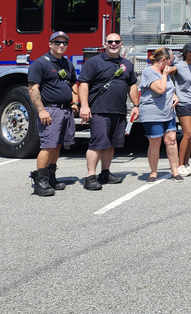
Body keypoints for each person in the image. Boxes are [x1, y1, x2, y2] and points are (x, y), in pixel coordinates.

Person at [77, 33, 138, 190]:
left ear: (121, 44)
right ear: (105, 44)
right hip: (99, 110)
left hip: (118, 110)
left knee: (111, 144)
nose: (113, 44)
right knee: (97, 143)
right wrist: (84, 106)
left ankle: (105, 172)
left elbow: (132, 85)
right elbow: (83, 84)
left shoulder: (126, 64)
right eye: (110, 42)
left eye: (116, 42)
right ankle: (90, 176)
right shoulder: (93, 62)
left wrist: (136, 105)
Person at [28, 31, 79, 196]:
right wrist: (41, 110)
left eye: (64, 43)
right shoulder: (40, 63)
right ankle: (40, 181)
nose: (61, 45)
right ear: (50, 44)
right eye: (57, 42)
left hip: (66, 110)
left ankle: (51, 177)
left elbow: (73, 84)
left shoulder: (68, 64)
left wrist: (76, 103)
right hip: (50, 110)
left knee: (57, 144)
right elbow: (33, 88)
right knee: (48, 145)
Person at [138, 47, 180, 183]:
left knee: (172, 140)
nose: (171, 64)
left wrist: (174, 96)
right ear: (163, 60)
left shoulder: (163, 72)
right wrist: (166, 75)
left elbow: (168, 89)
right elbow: (160, 89)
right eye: (170, 60)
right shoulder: (149, 72)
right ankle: (153, 172)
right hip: (153, 113)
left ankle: (175, 171)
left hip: (168, 113)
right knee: (155, 142)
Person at [171, 42, 191, 176]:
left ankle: (187, 163)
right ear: (185, 53)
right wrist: (173, 93)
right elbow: (164, 75)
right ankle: (180, 165)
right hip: (183, 103)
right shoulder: (178, 67)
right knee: (187, 134)